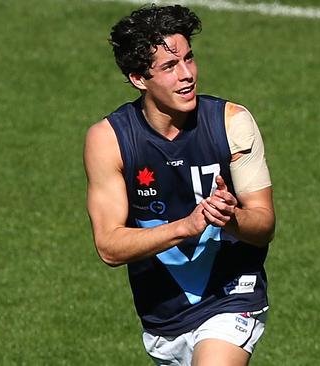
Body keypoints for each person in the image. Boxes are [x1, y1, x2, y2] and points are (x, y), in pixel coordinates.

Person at [83, 4, 275, 365]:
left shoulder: (232, 123)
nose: (187, 75)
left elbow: (264, 224)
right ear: (139, 78)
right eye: (170, 67)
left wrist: (231, 218)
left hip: (232, 297)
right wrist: (188, 226)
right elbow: (109, 245)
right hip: (163, 318)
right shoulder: (109, 140)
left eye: (189, 59)